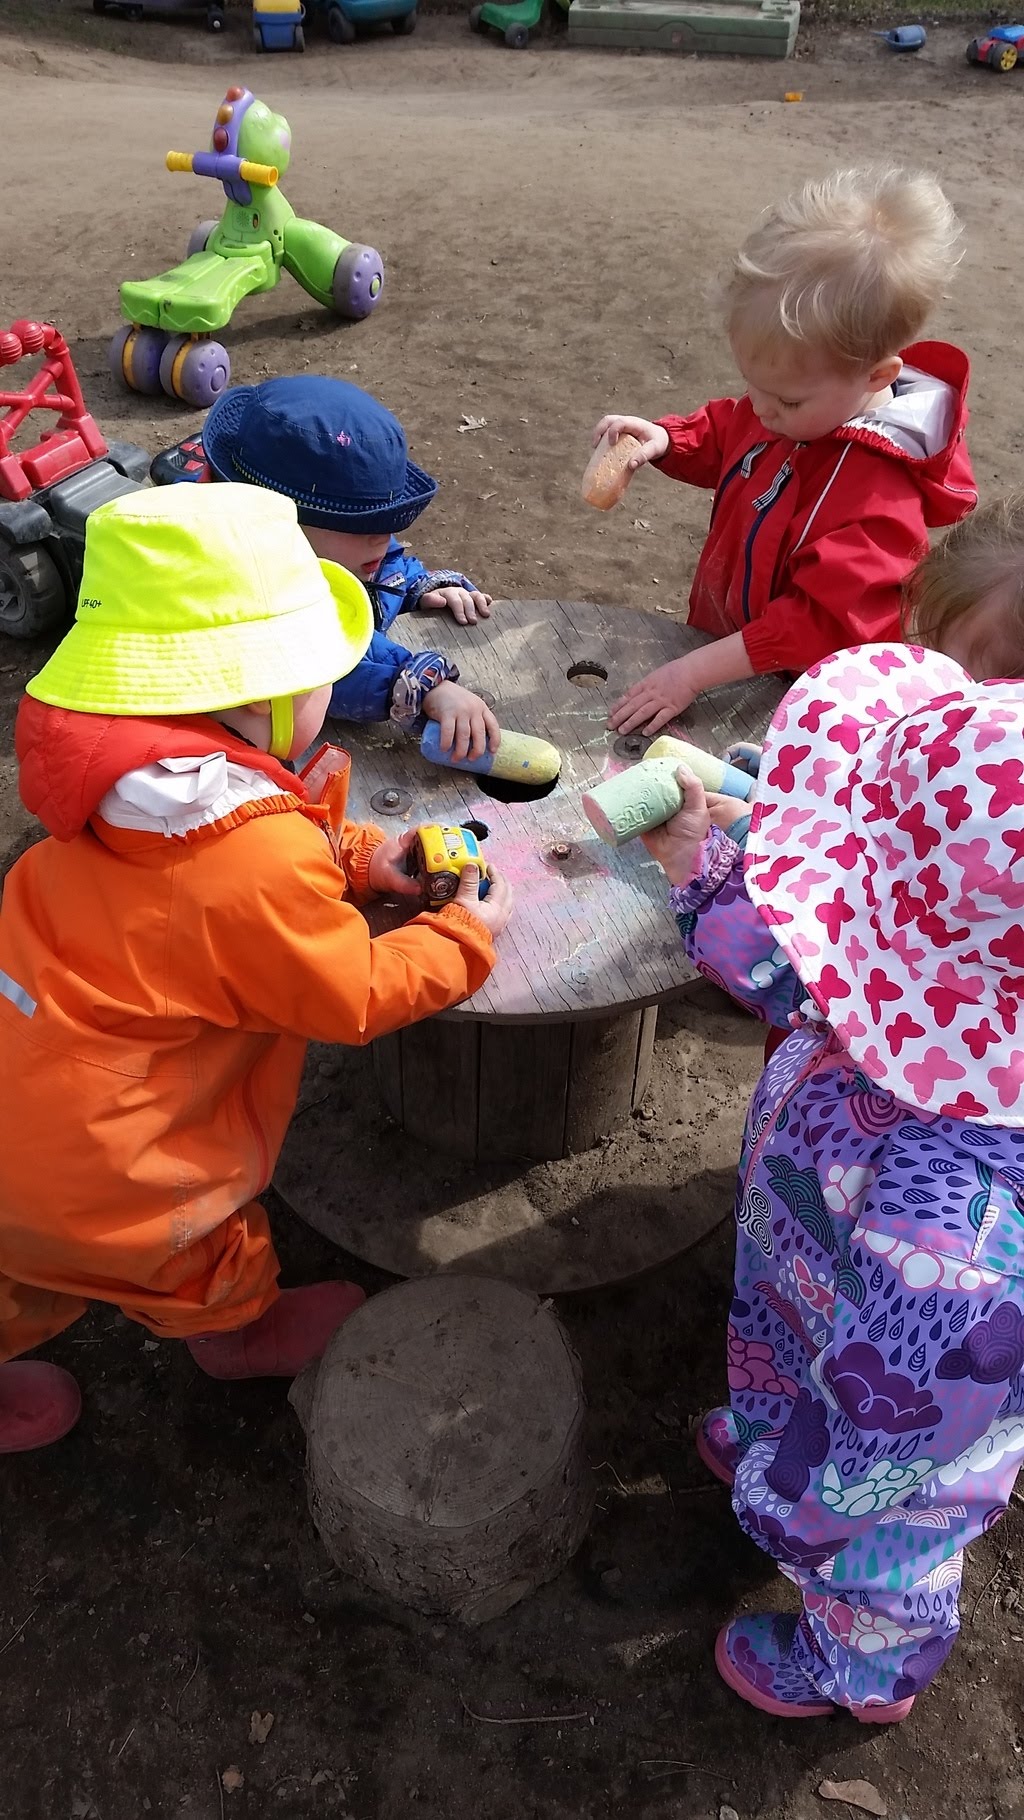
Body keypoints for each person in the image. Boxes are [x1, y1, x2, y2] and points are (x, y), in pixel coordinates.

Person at [0, 484, 512, 1455]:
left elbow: (224, 872)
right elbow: (350, 991)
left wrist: (356, 858)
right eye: (320, 675)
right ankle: (239, 1336)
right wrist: (462, 933)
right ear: (258, 697)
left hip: (15, 1123)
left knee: (11, 1274)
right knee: (197, 1259)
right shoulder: (250, 855)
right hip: (125, 1171)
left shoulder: (109, 784)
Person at [643, 642, 1024, 1720]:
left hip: (887, 1445)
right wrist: (702, 868)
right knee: (793, 1359)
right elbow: (793, 975)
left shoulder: (961, 1240)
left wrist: (803, 1499)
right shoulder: (898, 996)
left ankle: (862, 1672)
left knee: (883, 1559)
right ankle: (778, 1425)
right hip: (813, 1295)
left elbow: (903, 1431)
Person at [593, 166, 977, 737]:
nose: (762, 409)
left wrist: (694, 672)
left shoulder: (880, 499)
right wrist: (671, 438)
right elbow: (731, 431)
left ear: (877, 375)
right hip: (735, 658)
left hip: (809, 709)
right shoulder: (797, 407)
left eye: (786, 400)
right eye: (753, 384)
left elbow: (818, 624)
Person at [199, 375, 498, 762]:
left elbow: (386, 565)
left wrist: (417, 586)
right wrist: (414, 684)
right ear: (271, 521)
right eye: (358, 524)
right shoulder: (240, 584)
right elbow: (320, 652)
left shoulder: (352, 548)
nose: (381, 536)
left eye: (386, 520)